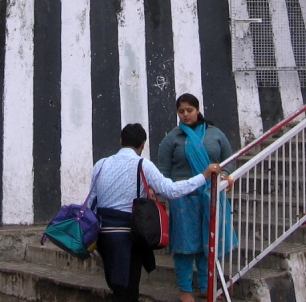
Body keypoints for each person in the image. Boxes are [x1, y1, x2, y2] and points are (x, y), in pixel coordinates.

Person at [88, 123, 222, 302]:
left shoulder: (100, 164)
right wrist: (203, 176)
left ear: (121, 141)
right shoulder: (143, 165)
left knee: (116, 285)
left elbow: (91, 201)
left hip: (103, 234)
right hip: (128, 235)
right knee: (129, 288)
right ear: (143, 144)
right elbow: (170, 190)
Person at [157, 93, 234, 302]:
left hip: (210, 196)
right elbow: (162, 171)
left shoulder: (215, 134)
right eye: (181, 111)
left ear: (197, 110)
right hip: (183, 198)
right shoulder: (172, 138)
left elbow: (229, 161)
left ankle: (205, 286)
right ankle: (184, 290)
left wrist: (226, 176)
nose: (185, 115)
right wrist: (163, 200)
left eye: (189, 110)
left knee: (206, 243)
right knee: (184, 245)